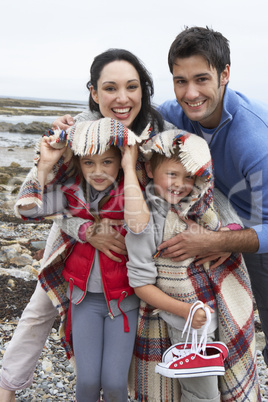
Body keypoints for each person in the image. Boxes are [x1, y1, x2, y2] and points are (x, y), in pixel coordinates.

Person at [0, 48, 171, 402]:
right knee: (38, 310)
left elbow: (176, 195)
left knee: (155, 318)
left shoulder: (158, 135)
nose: (122, 98)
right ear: (94, 92)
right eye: (110, 88)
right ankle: (6, 387)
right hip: (73, 236)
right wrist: (85, 230)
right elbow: (41, 196)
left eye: (132, 87)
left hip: (134, 248)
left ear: (144, 89)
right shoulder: (79, 133)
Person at [156, 26, 268, 366]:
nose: (190, 93)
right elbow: (123, 122)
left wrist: (219, 241)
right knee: (218, 335)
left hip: (256, 229)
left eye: (202, 79)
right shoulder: (171, 115)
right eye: (180, 81)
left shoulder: (254, 140)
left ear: (225, 75)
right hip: (213, 223)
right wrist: (75, 124)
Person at [17, 118, 149, 401]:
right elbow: (28, 211)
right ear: (78, 163)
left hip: (125, 301)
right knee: (87, 382)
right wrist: (43, 166)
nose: (98, 171)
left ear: (120, 162)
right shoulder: (70, 194)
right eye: (89, 163)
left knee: (114, 384)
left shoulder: (132, 193)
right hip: (83, 300)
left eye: (108, 162)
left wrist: (129, 166)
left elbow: (140, 226)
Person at [124, 129, 260, 401]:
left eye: (189, 177)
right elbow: (140, 283)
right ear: (149, 168)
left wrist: (223, 240)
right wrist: (187, 311)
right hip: (185, 321)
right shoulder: (144, 220)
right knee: (202, 395)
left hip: (217, 314)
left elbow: (229, 222)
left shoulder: (199, 207)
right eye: (172, 174)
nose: (180, 184)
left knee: (219, 387)